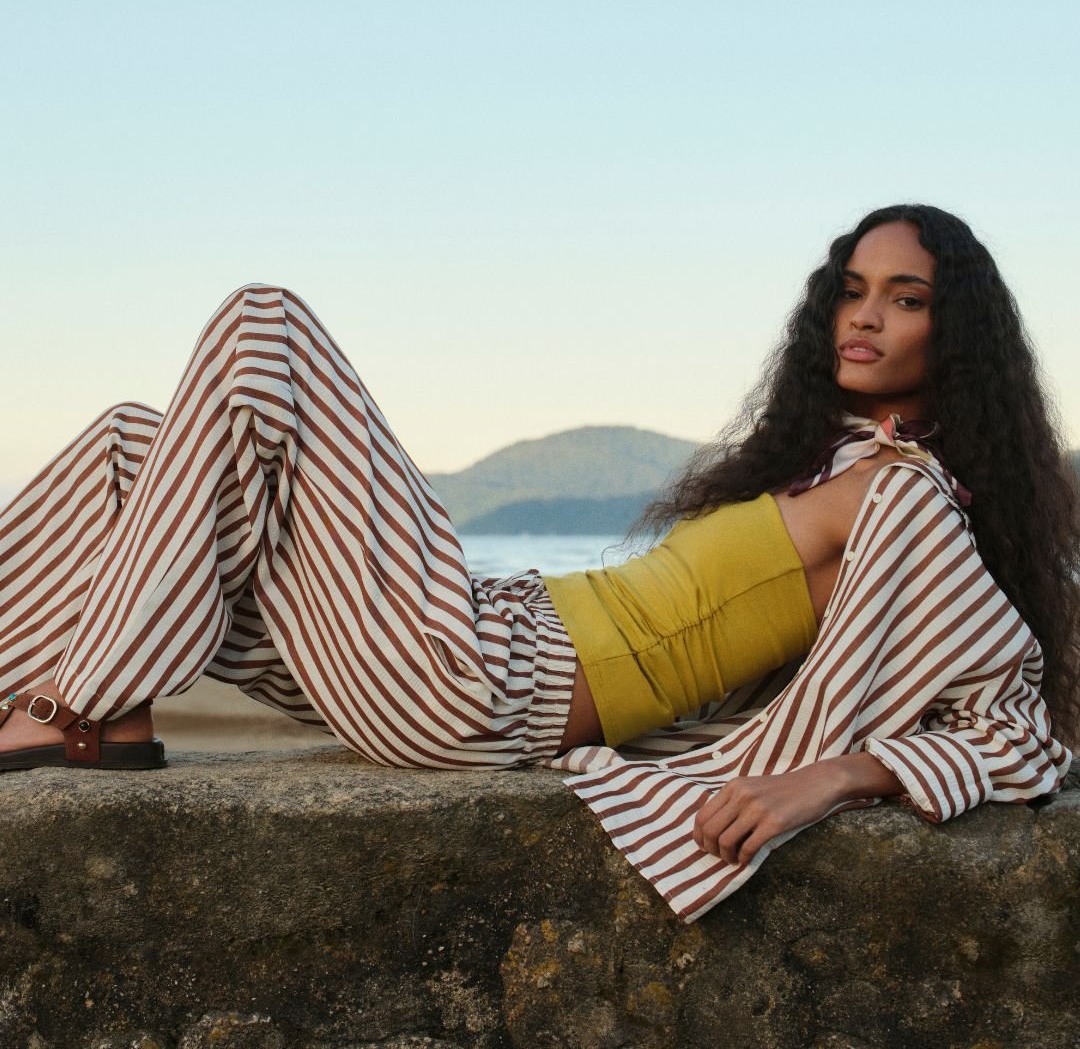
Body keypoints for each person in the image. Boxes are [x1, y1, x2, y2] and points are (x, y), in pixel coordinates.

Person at [0, 203, 1074, 924]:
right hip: (476, 633)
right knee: (130, 446)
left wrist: (825, 776)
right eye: (852, 289)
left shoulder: (907, 496)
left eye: (906, 296)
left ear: (957, 334)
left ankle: (79, 703)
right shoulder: (834, 463)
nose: (865, 313)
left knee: (263, 327)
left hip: (489, 680)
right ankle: (96, 714)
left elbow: (1019, 733)